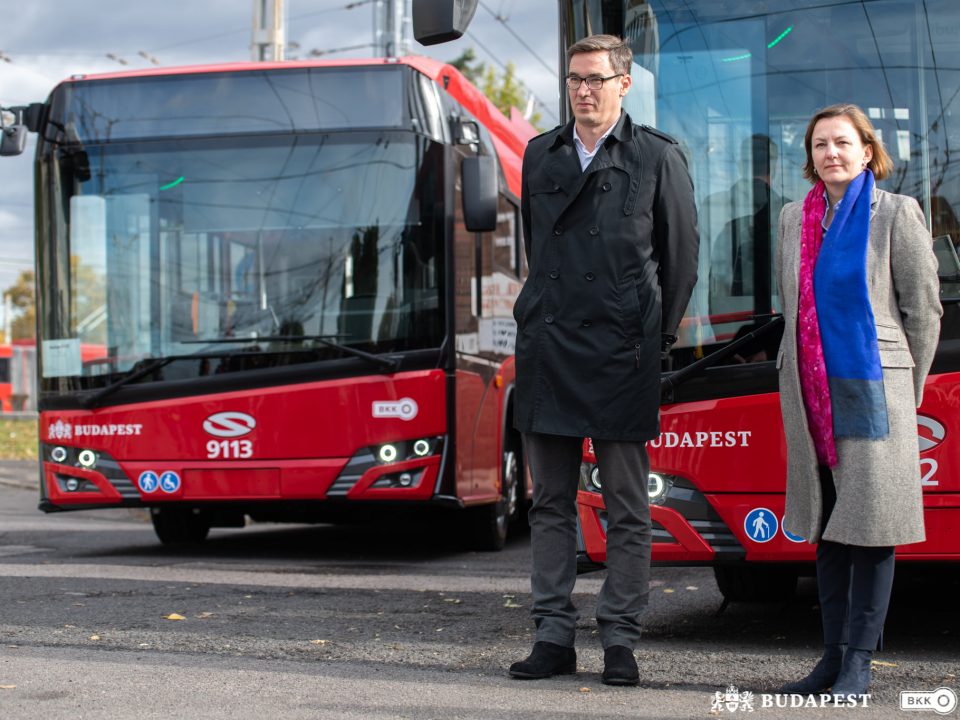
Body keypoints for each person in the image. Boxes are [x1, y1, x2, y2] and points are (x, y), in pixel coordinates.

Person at [508, 34, 699, 686]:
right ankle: (553, 637)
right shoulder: (541, 155)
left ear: (623, 84)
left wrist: (655, 338)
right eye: (574, 79)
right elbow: (541, 255)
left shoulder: (656, 156)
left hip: (623, 354)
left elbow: (681, 260)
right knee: (551, 504)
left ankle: (620, 639)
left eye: (595, 79)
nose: (583, 90)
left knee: (626, 506)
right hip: (550, 350)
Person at [775, 103, 942, 699]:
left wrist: (905, 386)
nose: (831, 154)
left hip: (874, 391)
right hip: (811, 394)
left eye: (842, 143)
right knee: (828, 526)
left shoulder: (897, 213)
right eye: (820, 145)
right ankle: (830, 656)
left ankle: (859, 664)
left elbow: (924, 312)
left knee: (871, 528)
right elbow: (790, 309)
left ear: (867, 151)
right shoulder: (795, 218)